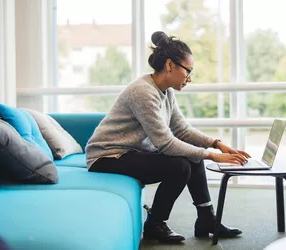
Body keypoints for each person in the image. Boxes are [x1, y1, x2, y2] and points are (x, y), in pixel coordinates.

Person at [86, 31, 251, 243]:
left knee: (193, 156)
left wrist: (217, 144)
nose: (190, 78)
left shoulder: (166, 91)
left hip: (130, 153)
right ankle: (155, 224)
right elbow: (164, 142)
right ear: (170, 66)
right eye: (188, 71)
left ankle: (206, 219)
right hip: (107, 157)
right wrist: (212, 156)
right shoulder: (142, 92)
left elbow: (181, 129)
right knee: (180, 166)